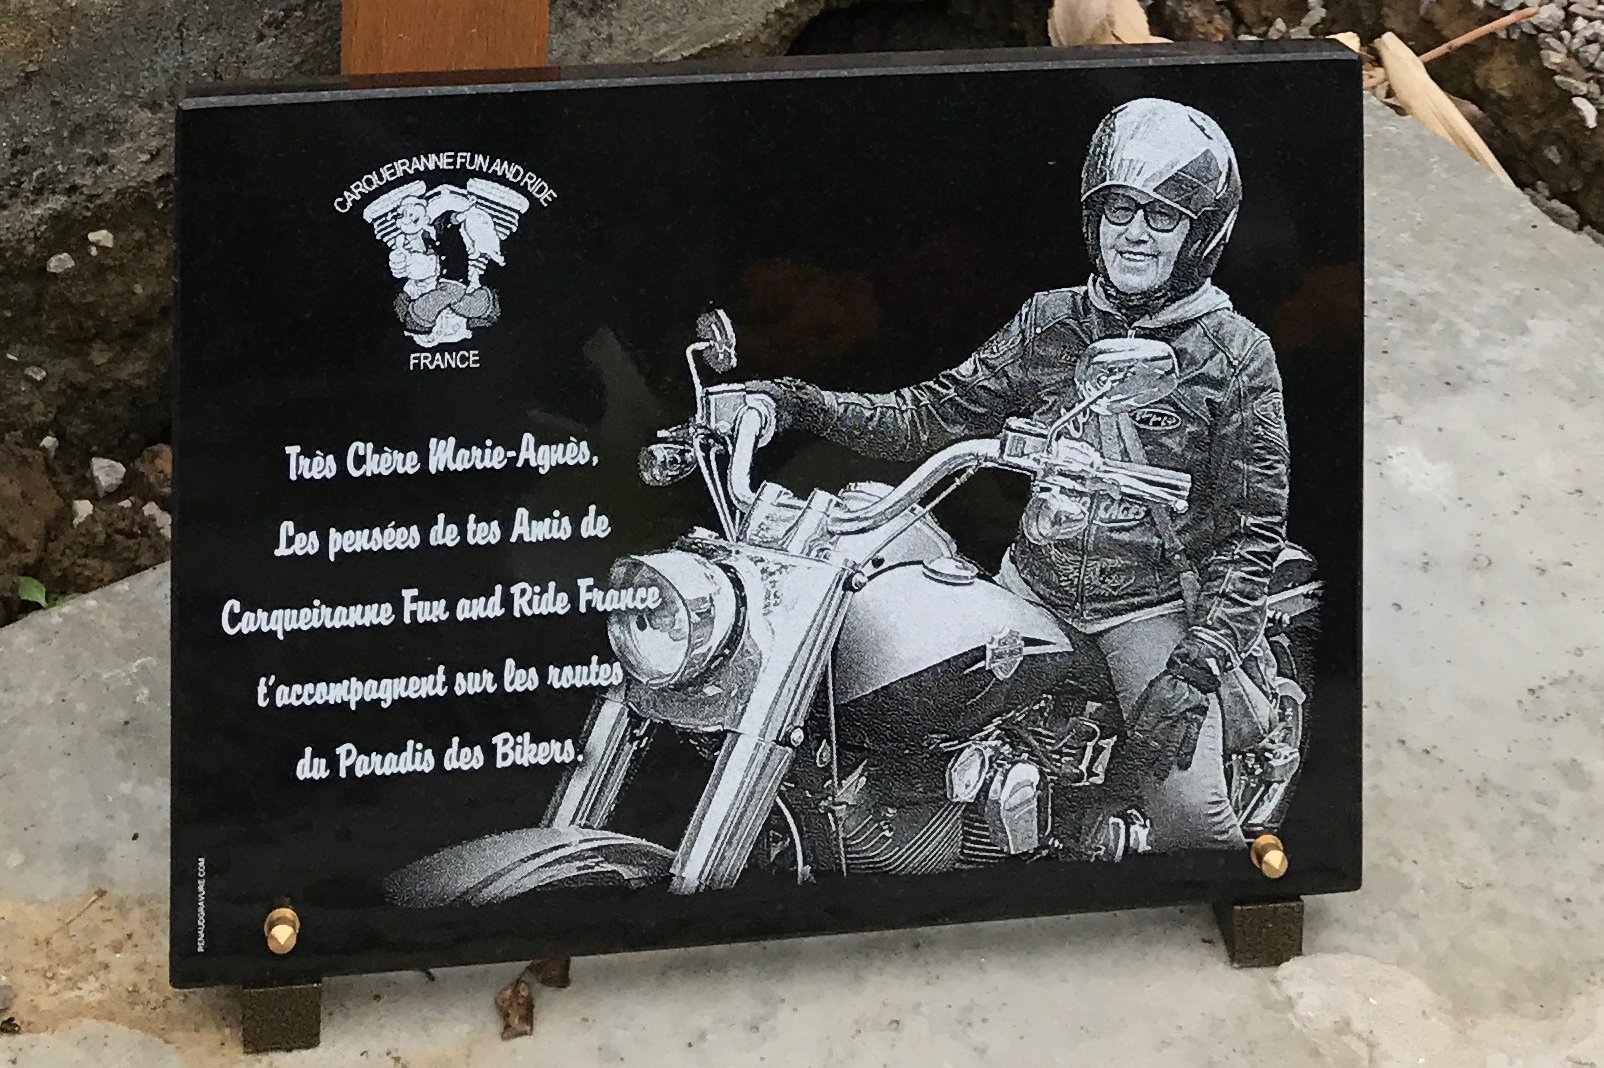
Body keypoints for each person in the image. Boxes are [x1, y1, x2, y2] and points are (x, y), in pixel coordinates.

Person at [747, 98, 1290, 852]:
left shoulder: (1235, 355)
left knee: (1192, 821)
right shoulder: (1050, 322)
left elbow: (1251, 530)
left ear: (1202, 235)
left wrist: (1195, 668)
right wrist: (793, 402)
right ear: (1093, 216)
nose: (1135, 231)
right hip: (1031, 585)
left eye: (1163, 216)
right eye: (1120, 208)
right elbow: (928, 414)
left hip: (1146, 607)